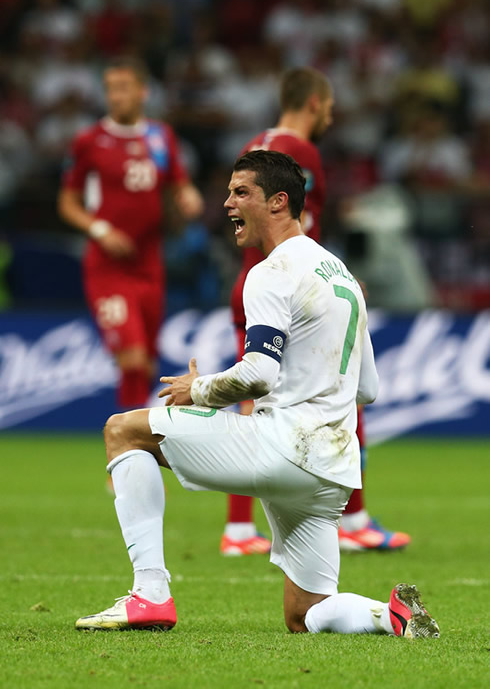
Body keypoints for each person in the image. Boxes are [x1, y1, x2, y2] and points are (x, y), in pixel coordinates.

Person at [75, 150, 439, 639]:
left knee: (124, 431)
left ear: (278, 202)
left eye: (241, 192)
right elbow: (367, 388)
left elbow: (259, 374)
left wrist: (197, 389)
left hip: (283, 447)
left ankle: (150, 595)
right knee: (305, 614)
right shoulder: (343, 276)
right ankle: (388, 615)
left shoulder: (269, 272)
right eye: (228, 191)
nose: (227, 203)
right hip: (333, 469)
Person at [222, 66, 410, 556]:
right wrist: (333, 277)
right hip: (292, 288)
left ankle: (239, 528)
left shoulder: (257, 143)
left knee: (256, 394)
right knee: (342, 389)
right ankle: (353, 518)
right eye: (329, 108)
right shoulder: (300, 153)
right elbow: (298, 227)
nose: (331, 116)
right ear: (313, 105)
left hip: (257, 284)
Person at [58, 57, 203, 410]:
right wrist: (100, 228)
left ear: (143, 92)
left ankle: (137, 443)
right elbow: (67, 202)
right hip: (107, 267)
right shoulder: (90, 141)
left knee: (147, 362)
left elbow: (179, 185)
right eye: (110, 89)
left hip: (150, 264)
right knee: (132, 357)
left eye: (123, 88)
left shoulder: (160, 136)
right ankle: (128, 444)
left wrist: (189, 197)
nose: (115, 97)